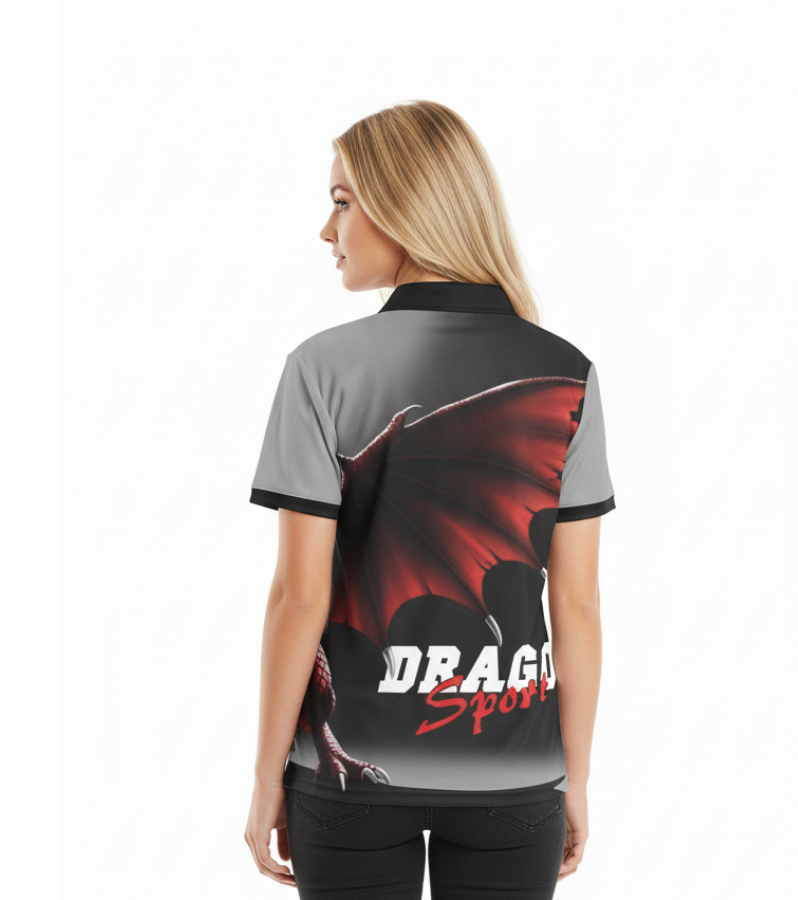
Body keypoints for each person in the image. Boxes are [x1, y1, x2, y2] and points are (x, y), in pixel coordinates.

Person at [243, 100, 615, 900]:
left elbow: (298, 597)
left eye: (342, 202)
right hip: (513, 771)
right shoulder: (565, 372)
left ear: (402, 206)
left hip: (346, 778)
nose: (326, 230)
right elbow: (577, 605)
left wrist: (269, 774)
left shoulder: (322, 368)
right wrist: (574, 777)